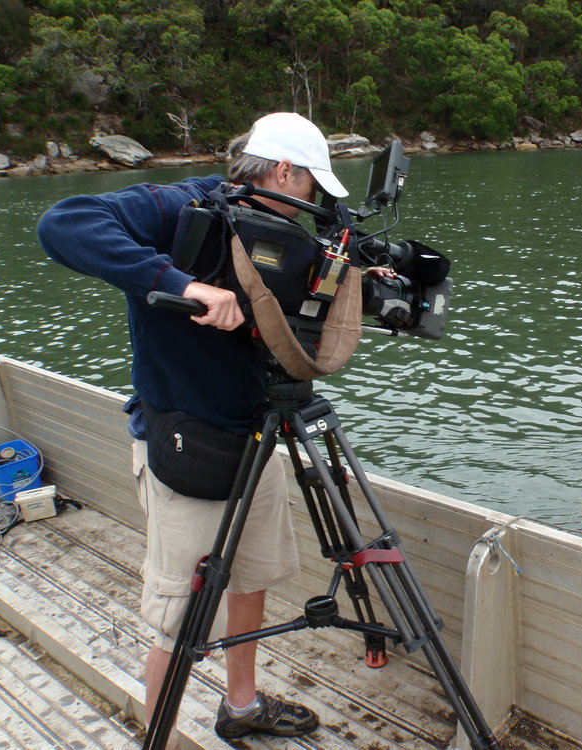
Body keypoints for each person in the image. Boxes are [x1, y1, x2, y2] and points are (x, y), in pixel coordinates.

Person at [37, 112, 355, 748]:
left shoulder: (290, 236)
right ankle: (158, 736)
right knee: (180, 614)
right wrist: (184, 286)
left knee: (252, 576)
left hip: (259, 433)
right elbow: (62, 223)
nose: (311, 202)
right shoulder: (179, 205)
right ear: (284, 171)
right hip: (188, 440)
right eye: (309, 187)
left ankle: (241, 706)